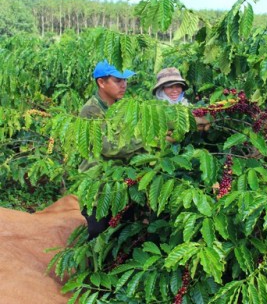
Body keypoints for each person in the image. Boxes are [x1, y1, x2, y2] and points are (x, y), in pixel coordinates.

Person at [79, 59, 142, 238]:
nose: (124, 85)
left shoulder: (123, 106)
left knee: (124, 231)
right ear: (101, 82)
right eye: (118, 80)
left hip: (122, 182)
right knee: (98, 231)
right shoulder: (91, 110)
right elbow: (109, 148)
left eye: (125, 80)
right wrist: (147, 141)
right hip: (98, 187)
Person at [152, 67, 211, 132]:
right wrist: (195, 121)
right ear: (161, 89)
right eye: (170, 87)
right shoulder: (157, 109)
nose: (175, 91)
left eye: (178, 86)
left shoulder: (186, 104)